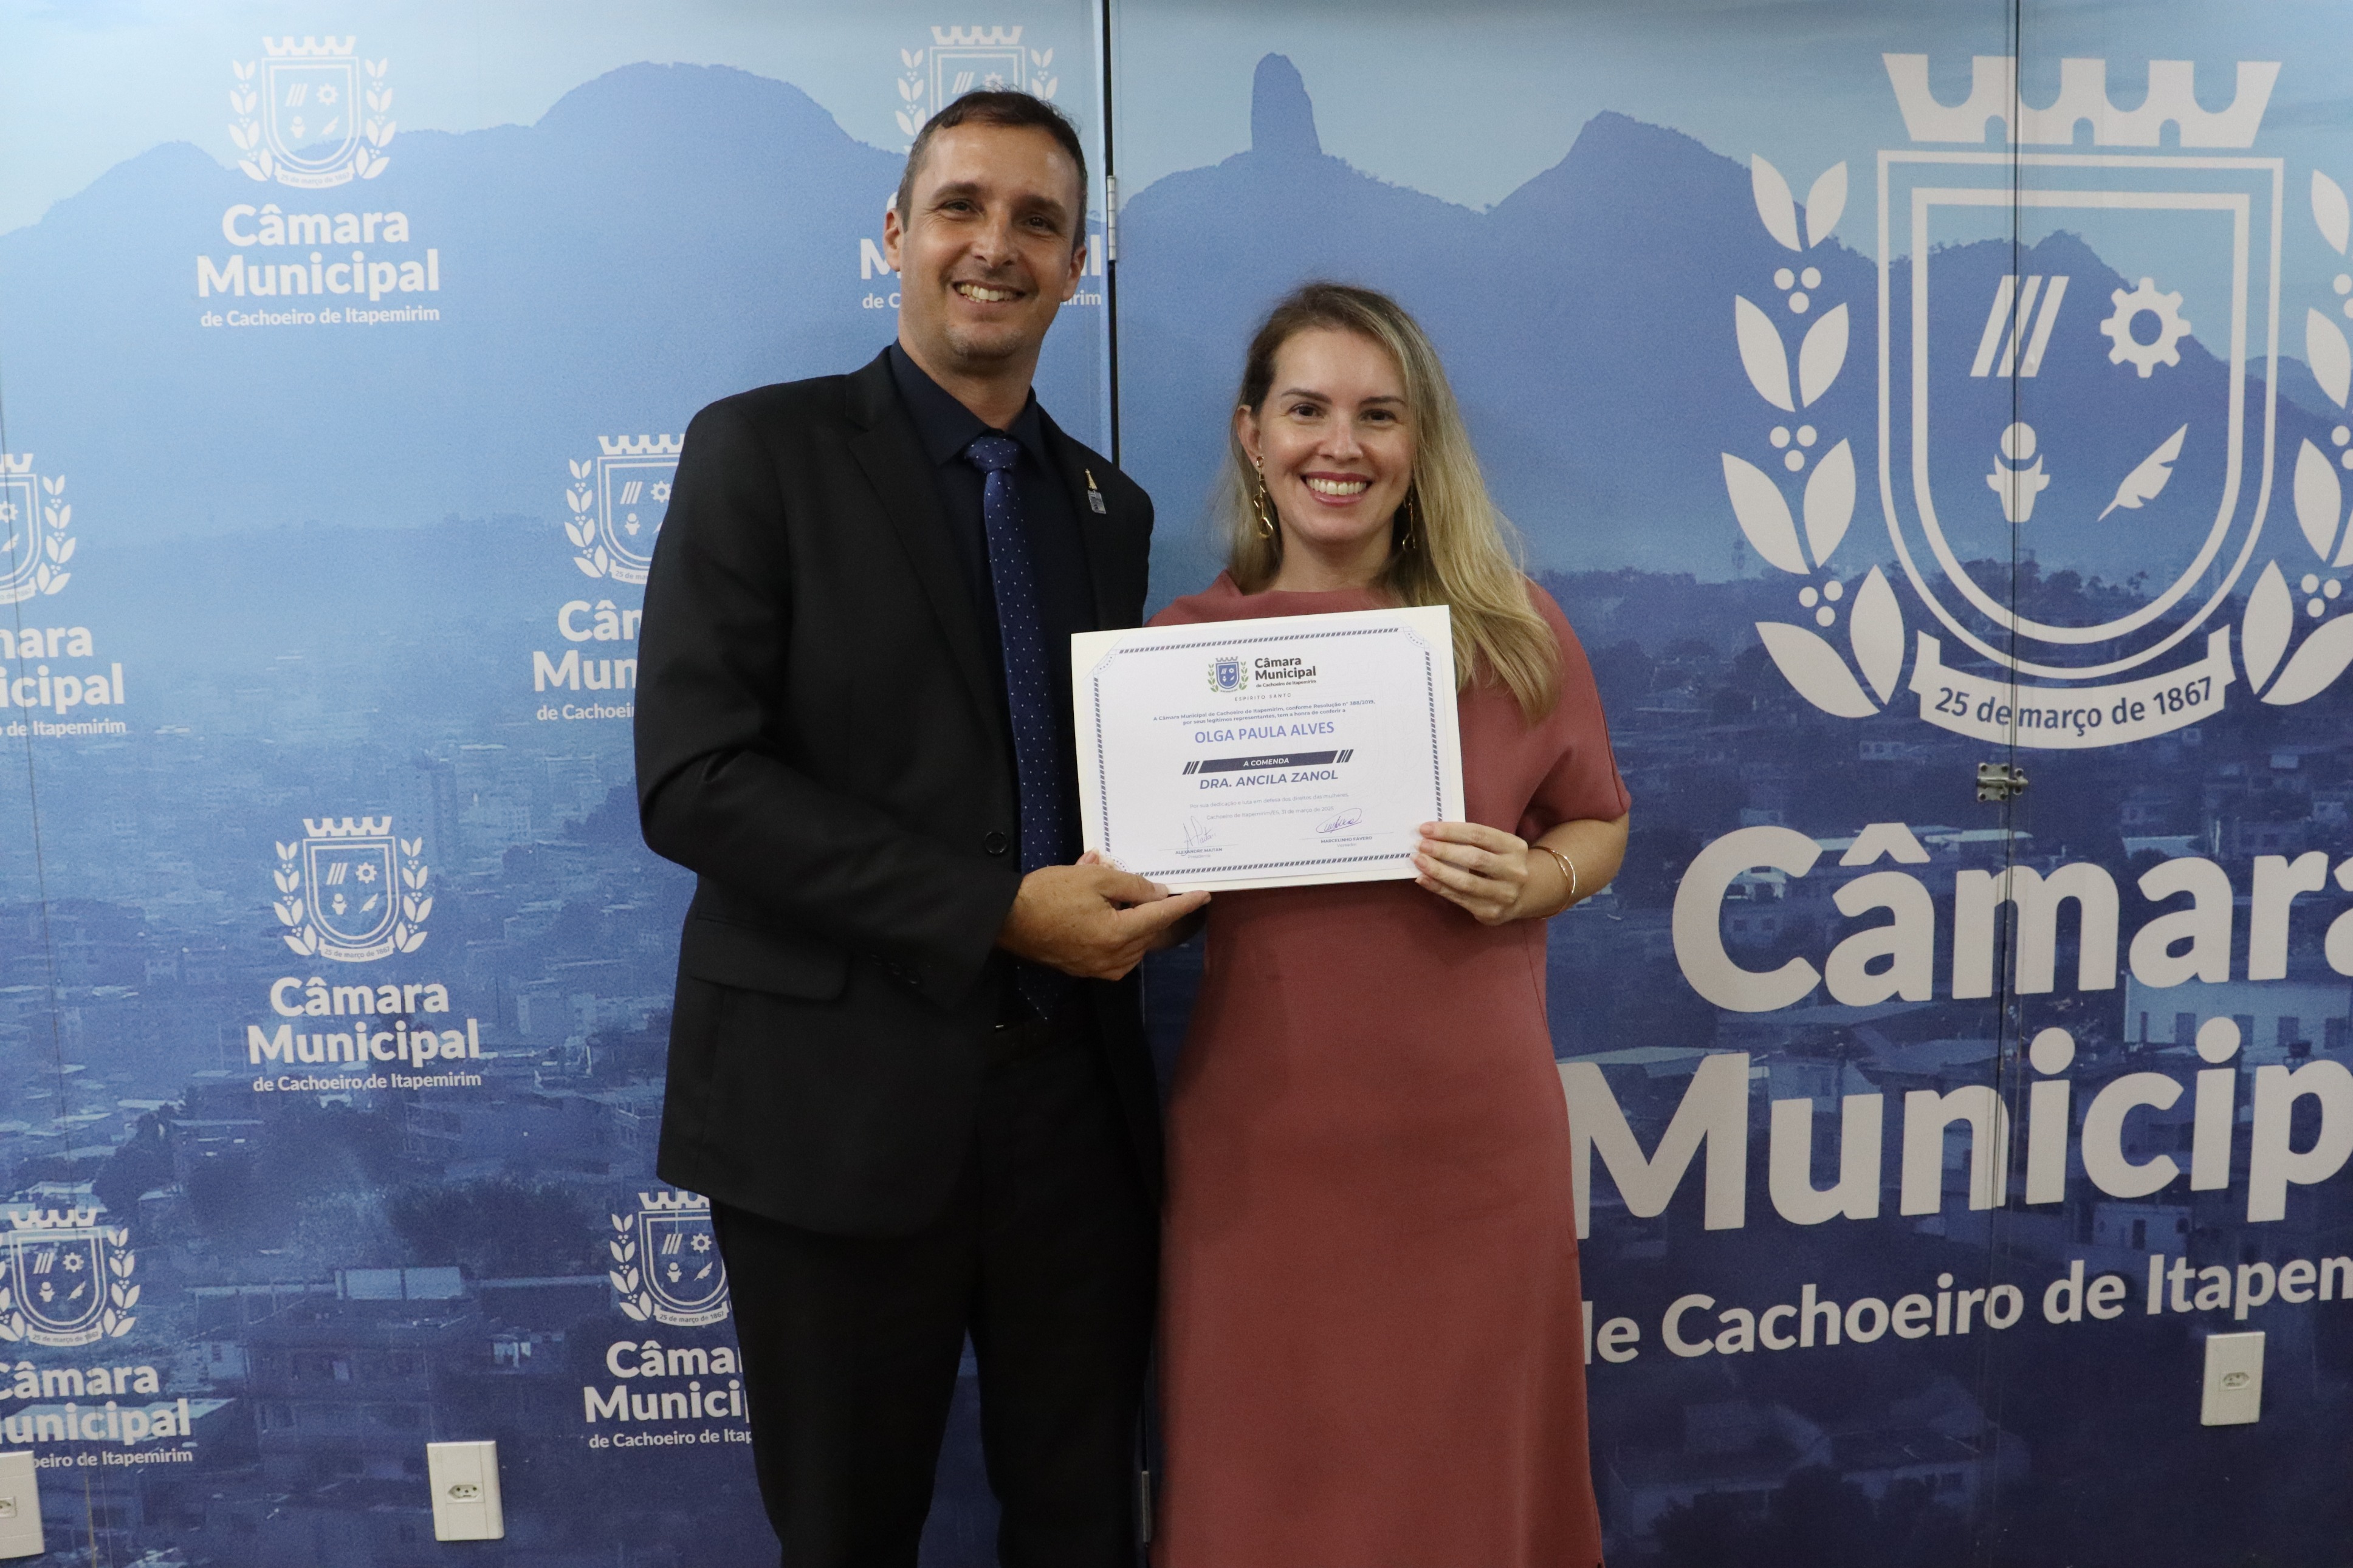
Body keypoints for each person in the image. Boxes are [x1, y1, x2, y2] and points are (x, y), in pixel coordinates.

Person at [633, 91, 1205, 1568]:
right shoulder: (760, 451)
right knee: (845, 1535)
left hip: (1071, 1119)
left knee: (1082, 1526)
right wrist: (997, 911)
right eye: (960, 206)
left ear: (1076, 266)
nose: (994, 245)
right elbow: (694, 779)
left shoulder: (1110, 510)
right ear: (895, 231)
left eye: (1037, 221)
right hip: (829, 1116)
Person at [1149, 282, 1632, 1568]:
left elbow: (1601, 823)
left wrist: (1539, 880)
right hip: (1263, 1161)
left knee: (1466, 1494)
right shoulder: (1177, 655)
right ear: (1253, 434)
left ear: (1421, 443)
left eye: (1379, 414)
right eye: (1306, 409)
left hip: (1472, 1155)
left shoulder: (1512, 630)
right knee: (1268, 1495)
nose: (1341, 445)